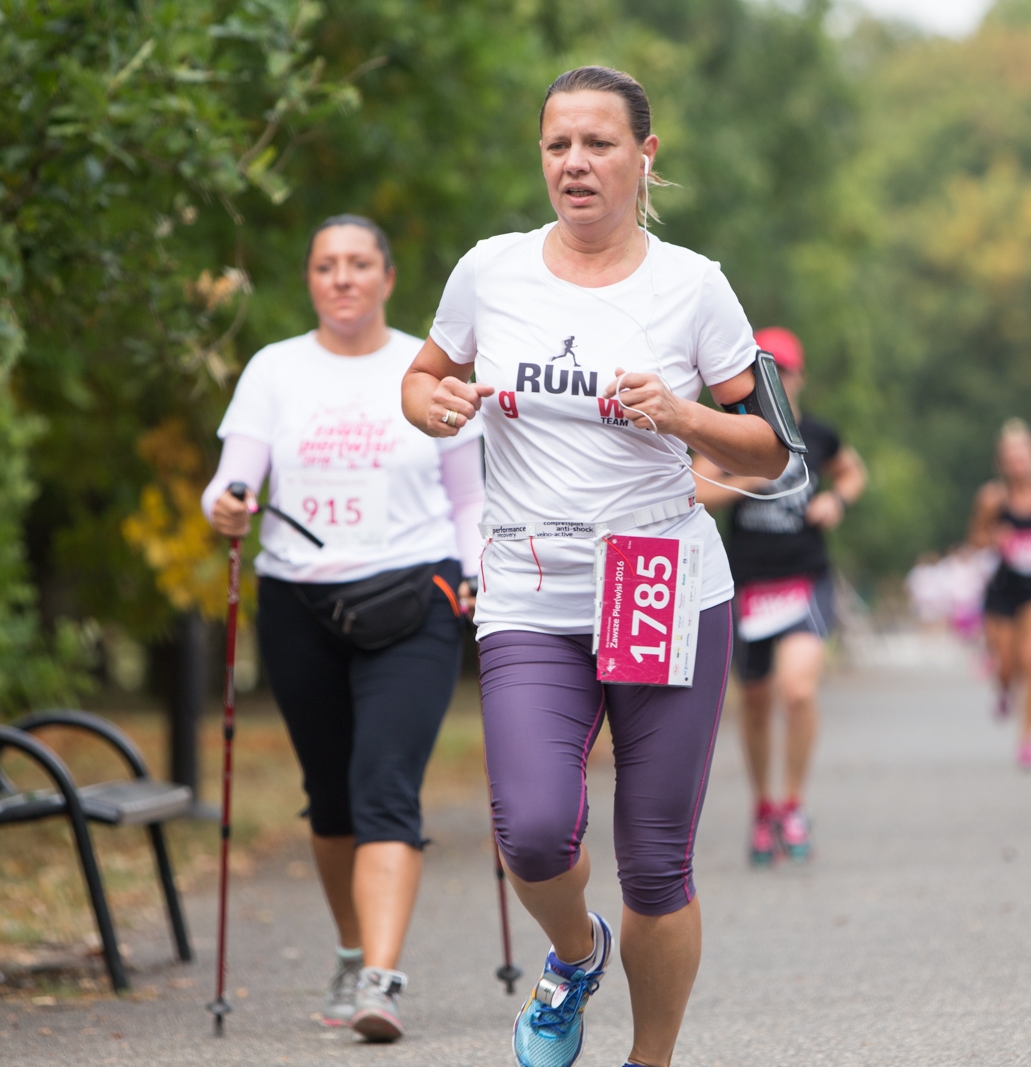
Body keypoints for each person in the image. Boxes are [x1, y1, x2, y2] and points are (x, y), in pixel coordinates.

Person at [401, 66, 789, 1067]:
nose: (574, 163)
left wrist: (682, 411)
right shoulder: (489, 271)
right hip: (530, 585)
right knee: (531, 830)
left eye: (598, 144)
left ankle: (647, 1058)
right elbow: (424, 375)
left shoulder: (692, 285)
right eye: (557, 145)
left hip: (659, 581)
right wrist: (429, 404)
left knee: (656, 861)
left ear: (643, 156)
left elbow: (770, 449)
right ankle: (575, 954)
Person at [202, 215, 483, 1042]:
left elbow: (470, 498)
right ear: (311, 280)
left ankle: (380, 981)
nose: (343, 278)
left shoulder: (424, 367)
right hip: (298, 603)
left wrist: (474, 576)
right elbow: (233, 478)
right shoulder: (274, 369)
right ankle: (352, 944)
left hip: (416, 597)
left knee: (385, 786)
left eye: (360, 263)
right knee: (330, 800)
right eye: (327, 265)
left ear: (389, 278)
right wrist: (225, 504)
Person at [691, 327, 866, 866]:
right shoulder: (737, 434)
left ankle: (793, 803)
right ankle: (762, 806)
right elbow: (697, 487)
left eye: (785, 370)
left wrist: (837, 501)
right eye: (767, 370)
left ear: (799, 376)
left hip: (804, 577)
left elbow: (852, 471)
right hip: (747, 584)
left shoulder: (818, 433)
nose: (779, 379)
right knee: (758, 703)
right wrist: (753, 478)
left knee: (798, 692)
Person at [969, 419, 1031, 771]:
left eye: (1025, 454)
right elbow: (975, 539)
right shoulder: (992, 499)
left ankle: (1028, 741)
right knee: (1007, 665)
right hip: (1002, 589)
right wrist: (994, 539)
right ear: (1002, 463)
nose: (1019, 462)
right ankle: (1004, 689)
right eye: (1011, 456)